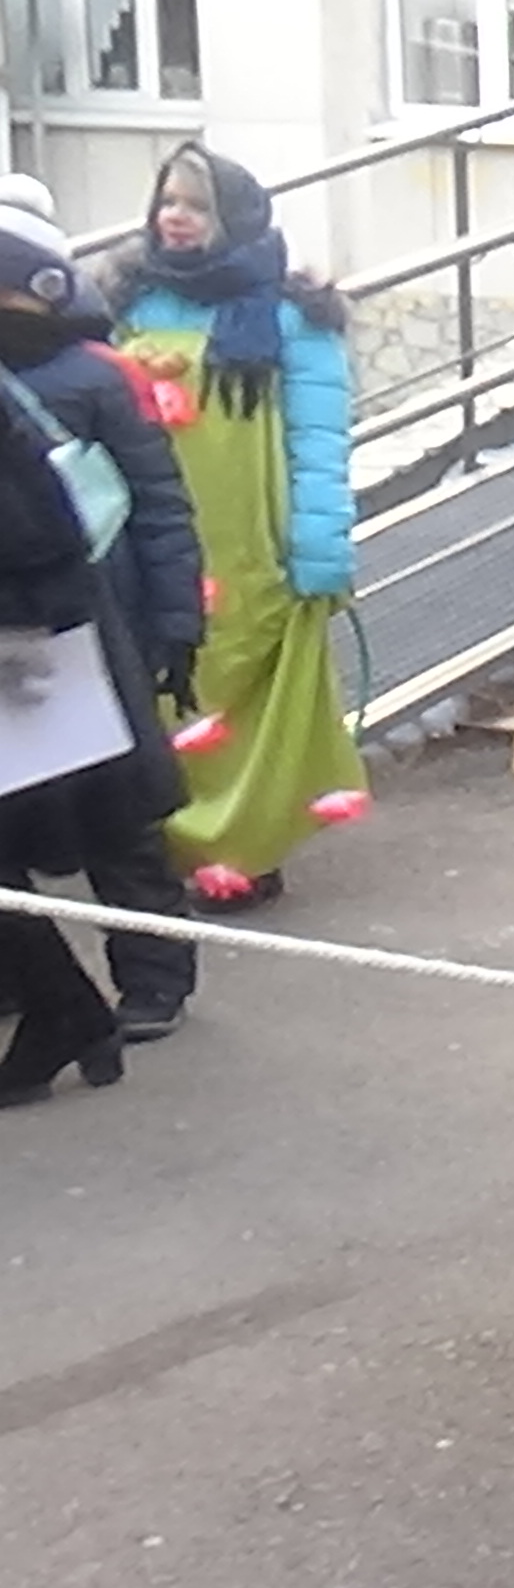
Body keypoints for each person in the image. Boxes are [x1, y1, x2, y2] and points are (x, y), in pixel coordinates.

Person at [98, 143, 363, 904]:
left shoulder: (292, 315)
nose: (175, 218)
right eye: (168, 202)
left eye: (197, 205)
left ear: (235, 217)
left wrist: (319, 545)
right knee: (156, 682)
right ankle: (164, 841)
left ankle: (242, 849)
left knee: (239, 693)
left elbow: (318, 436)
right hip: (149, 532)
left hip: (252, 542)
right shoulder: (128, 301)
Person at [0, 187, 202, 1042]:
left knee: (118, 820)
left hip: (92, 629)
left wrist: (176, 624)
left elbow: (160, 504)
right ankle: (30, 981)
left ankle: (153, 978)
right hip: (25, 630)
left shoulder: (96, 376)